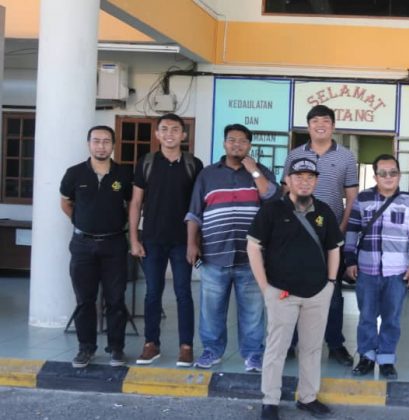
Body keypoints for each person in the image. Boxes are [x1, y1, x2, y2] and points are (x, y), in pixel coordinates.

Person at [247, 158, 341, 420]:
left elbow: (334, 248)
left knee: (312, 348)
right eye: (298, 176)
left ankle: (308, 397)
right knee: (276, 348)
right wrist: (265, 287)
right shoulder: (272, 210)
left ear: (316, 181)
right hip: (281, 293)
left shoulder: (324, 211)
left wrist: (331, 284)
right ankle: (270, 401)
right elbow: (253, 247)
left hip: (317, 293)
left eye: (310, 177)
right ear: (287, 180)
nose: (304, 182)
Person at [185, 123, 279, 371]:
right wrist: (191, 243)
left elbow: (272, 198)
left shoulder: (262, 172)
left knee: (253, 312)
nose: (237, 144)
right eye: (232, 140)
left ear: (249, 145)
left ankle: (253, 355)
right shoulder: (207, 175)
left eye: (242, 141)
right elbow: (194, 213)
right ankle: (212, 351)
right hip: (214, 255)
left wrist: (254, 170)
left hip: (252, 259)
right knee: (211, 311)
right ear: (224, 143)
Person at [282, 105, 358, 366]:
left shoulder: (346, 157)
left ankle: (335, 345)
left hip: (329, 237)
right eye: (315, 121)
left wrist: (341, 230)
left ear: (333, 126)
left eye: (325, 121)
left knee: (332, 293)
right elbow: (285, 192)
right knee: (292, 289)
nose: (320, 125)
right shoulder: (295, 154)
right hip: (295, 234)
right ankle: (289, 343)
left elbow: (352, 198)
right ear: (308, 126)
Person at [129, 113, 204, 367]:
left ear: (183, 135)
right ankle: (151, 344)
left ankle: (186, 346)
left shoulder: (193, 164)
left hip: (183, 240)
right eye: (164, 129)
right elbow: (136, 202)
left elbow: (198, 206)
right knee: (152, 293)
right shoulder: (147, 162)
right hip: (152, 239)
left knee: (183, 293)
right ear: (157, 134)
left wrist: (195, 242)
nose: (169, 134)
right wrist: (134, 239)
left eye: (174, 129)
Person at [60, 125, 132, 368]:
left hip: (114, 244)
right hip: (83, 245)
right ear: (88, 143)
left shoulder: (124, 174)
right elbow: (66, 203)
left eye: (106, 141)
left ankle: (116, 348)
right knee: (84, 299)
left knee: (116, 299)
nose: (101, 146)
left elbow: (132, 205)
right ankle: (86, 348)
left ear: (113, 145)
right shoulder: (74, 173)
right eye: (96, 141)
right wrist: (81, 222)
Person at [346, 154, 409, 380]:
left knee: (392, 318)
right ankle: (367, 357)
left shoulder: (408, 201)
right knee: (366, 317)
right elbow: (352, 230)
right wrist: (349, 260)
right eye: (383, 173)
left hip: (397, 272)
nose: (388, 177)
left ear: (399, 175)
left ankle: (387, 359)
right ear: (375, 176)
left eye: (393, 173)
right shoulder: (363, 199)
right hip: (366, 270)